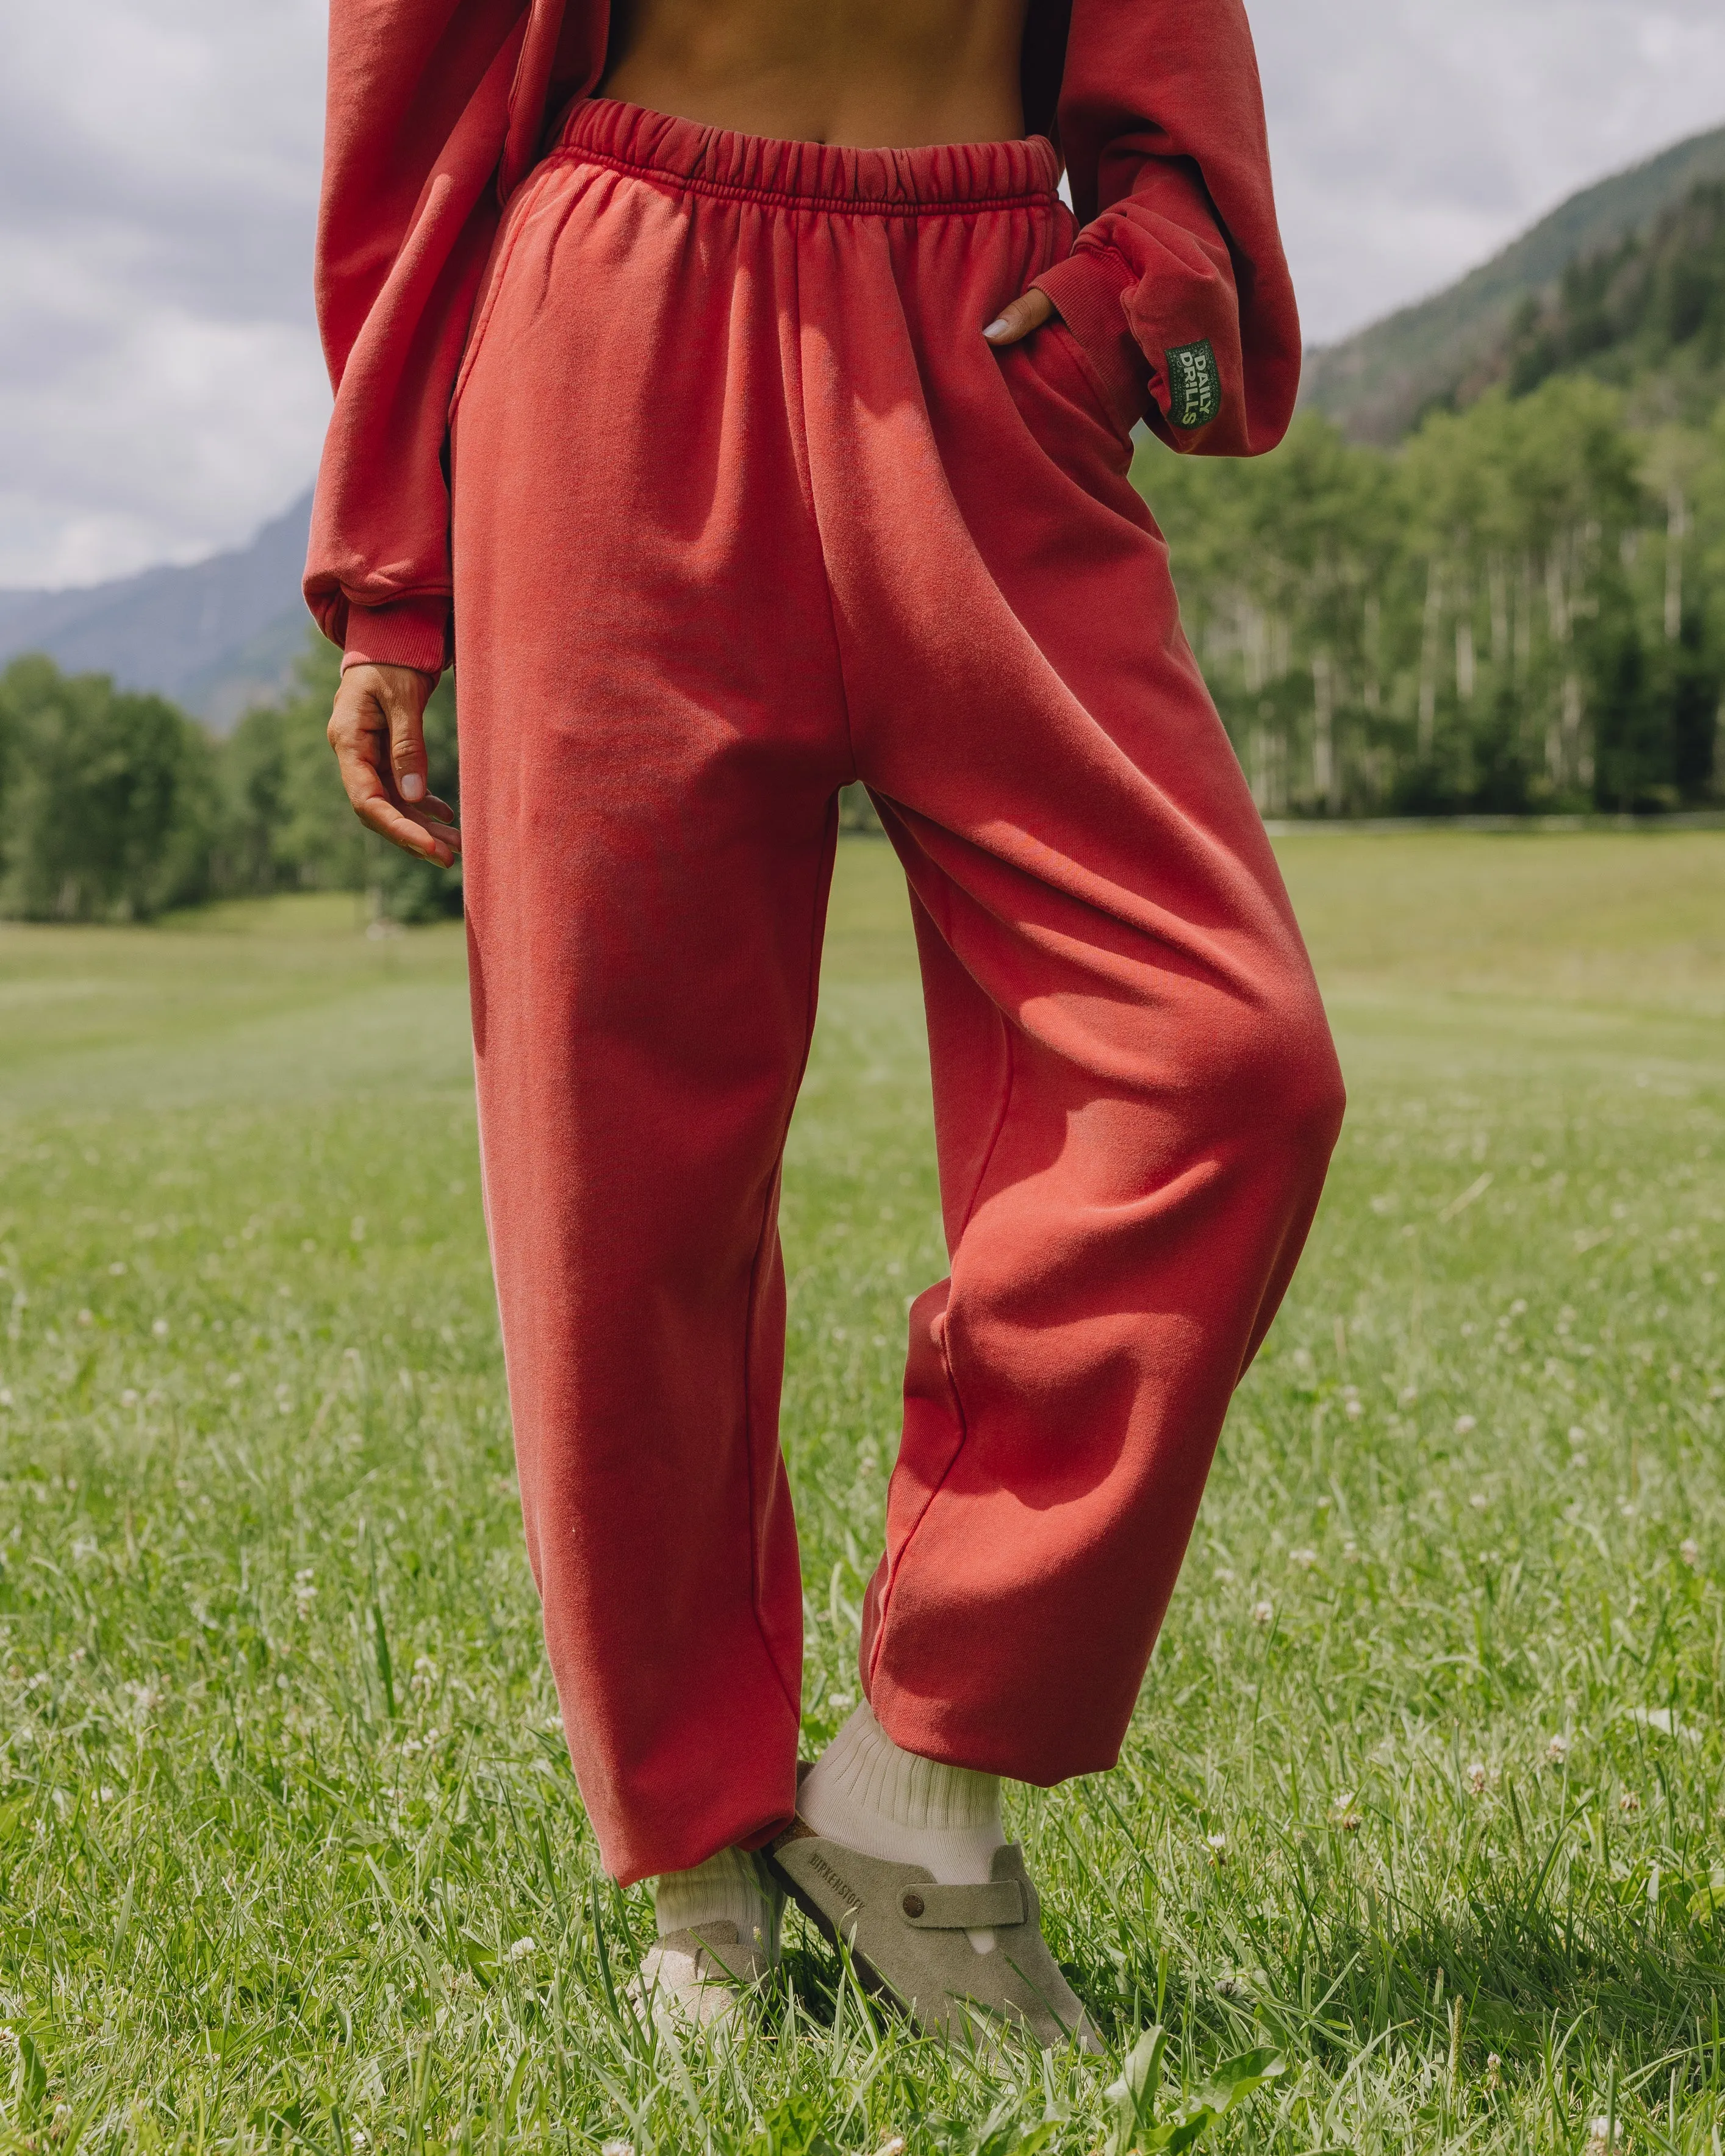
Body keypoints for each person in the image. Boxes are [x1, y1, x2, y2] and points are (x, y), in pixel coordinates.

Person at [310, 0, 1345, 2044]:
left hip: (980, 342)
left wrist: (1135, 304)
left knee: (1226, 1059)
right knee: (616, 1181)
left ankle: (915, 1776)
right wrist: (391, 559)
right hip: (612, 336)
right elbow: (412, 96)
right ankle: (698, 1863)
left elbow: (1171, 85)